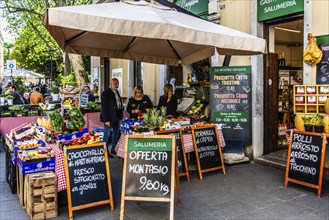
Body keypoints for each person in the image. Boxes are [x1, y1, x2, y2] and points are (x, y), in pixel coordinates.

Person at [100, 78, 123, 156]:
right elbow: (104, 108)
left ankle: (114, 149)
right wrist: (106, 120)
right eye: (115, 84)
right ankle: (104, 151)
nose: (117, 85)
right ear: (111, 84)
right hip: (109, 118)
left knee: (116, 134)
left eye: (118, 84)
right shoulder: (106, 93)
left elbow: (118, 104)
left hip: (116, 117)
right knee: (107, 134)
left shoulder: (116, 92)